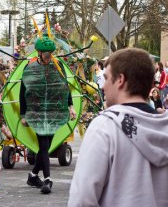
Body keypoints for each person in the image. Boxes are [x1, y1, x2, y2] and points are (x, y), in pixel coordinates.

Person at [68, 48, 168, 207]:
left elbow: (82, 199)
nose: (103, 87)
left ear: (120, 80)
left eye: (107, 78)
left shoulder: (105, 128)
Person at [20, 36, 76, 194]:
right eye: (46, 53)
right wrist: (23, 114)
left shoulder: (58, 65)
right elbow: (23, 91)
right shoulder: (29, 67)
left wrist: (70, 106)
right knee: (43, 145)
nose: (49, 55)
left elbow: (65, 87)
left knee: (47, 146)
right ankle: (48, 180)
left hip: (54, 111)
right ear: (39, 52)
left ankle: (32, 176)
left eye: (51, 52)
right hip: (36, 111)